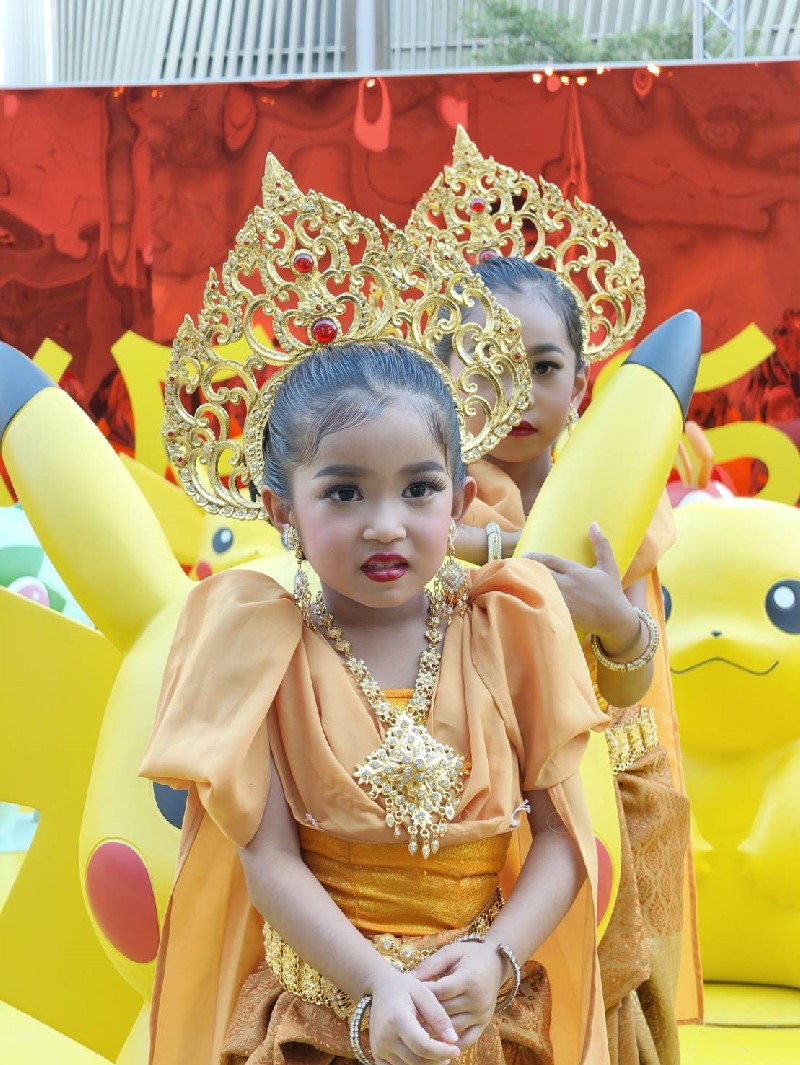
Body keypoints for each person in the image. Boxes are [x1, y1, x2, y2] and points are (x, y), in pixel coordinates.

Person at [140, 155, 610, 1065]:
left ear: (460, 497)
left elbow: (561, 839)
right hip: (326, 1016)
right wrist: (375, 991)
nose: (385, 523)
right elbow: (268, 859)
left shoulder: (509, 622)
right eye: (345, 492)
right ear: (281, 509)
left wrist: (498, 956)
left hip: (480, 1011)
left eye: (418, 489)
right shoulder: (261, 642)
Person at [406, 130, 701, 1065]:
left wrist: (617, 625)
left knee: (610, 1013)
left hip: (613, 794)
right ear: (444, 379)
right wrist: (492, 548)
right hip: (482, 811)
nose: (517, 392)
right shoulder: (420, 505)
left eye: (540, 367)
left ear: (580, 383)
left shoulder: (620, 506)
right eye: (485, 365)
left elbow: (637, 678)